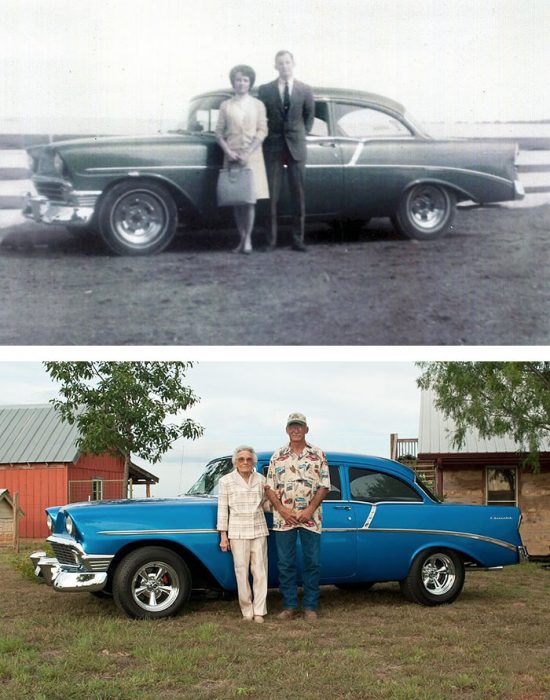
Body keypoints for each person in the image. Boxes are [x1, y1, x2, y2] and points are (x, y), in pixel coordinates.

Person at [265, 412, 330, 621]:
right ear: (287, 430)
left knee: (312, 562)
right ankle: (290, 606)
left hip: (311, 517)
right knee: (285, 563)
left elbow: (324, 485)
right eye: (292, 426)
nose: (296, 430)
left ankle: (310, 606)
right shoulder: (278, 455)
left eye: (299, 426)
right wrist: (283, 510)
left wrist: (310, 509)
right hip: (284, 519)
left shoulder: (318, 454)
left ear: (306, 429)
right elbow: (269, 487)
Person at [258, 51, 315, 252]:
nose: (284, 66)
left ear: (294, 64)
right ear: (275, 66)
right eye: (280, 63)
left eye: (287, 62)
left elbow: (309, 117)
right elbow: (261, 116)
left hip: (296, 147)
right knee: (271, 196)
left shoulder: (305, 90)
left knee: (298, 194)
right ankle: (270, 241)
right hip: (273, 146)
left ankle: (298, 239)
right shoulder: (265, 90)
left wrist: (300, 134)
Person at [215, 65, 269, 254]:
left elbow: (263, 130)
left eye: (245, 80)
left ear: (250, 83)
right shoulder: (226, 105)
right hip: (232, 155)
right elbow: (219, 133)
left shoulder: (258, 105)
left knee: (249, 200)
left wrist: (248, 152)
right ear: (233, 82)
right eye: (238, 79)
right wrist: (229, 152)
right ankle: (241, 238)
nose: (241, 83)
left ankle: (248, 241)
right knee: (237, 200)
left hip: (252, 156)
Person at [217, 445, 269, 622]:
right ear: (236, 462)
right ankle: (247, 610)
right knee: (241, 572)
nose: (245, 462)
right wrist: (223, 536)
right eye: (241, 459)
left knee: (260, 571)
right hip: (237, 531)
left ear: (253, 461)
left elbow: (266, 505)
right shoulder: (226, 481)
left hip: (259, 529)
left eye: (248, 459)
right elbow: (223, 510)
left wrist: (281, 500)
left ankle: (259, 611)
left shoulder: (261, 480)